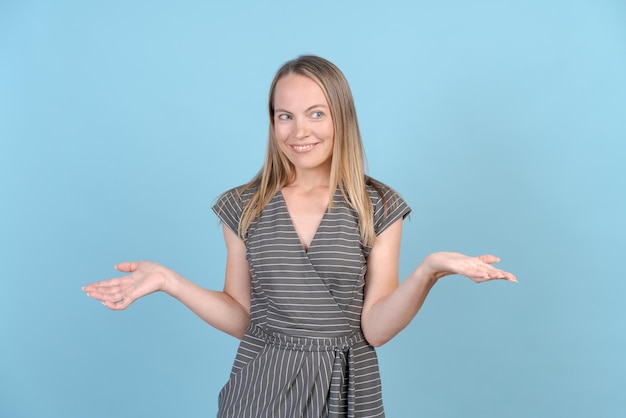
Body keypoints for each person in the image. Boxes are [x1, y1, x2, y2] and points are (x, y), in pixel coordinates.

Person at [83, 55, 517, 418]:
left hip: (347, 387)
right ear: (272, 122)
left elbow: (376, 329)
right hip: (260, 390)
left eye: (316, 113)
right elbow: (242, 317)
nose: (299, 131)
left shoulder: (378, 206)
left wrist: (429, 270)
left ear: (340, 117)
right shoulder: (244, 206)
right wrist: (170, 282)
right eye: (284, 116)